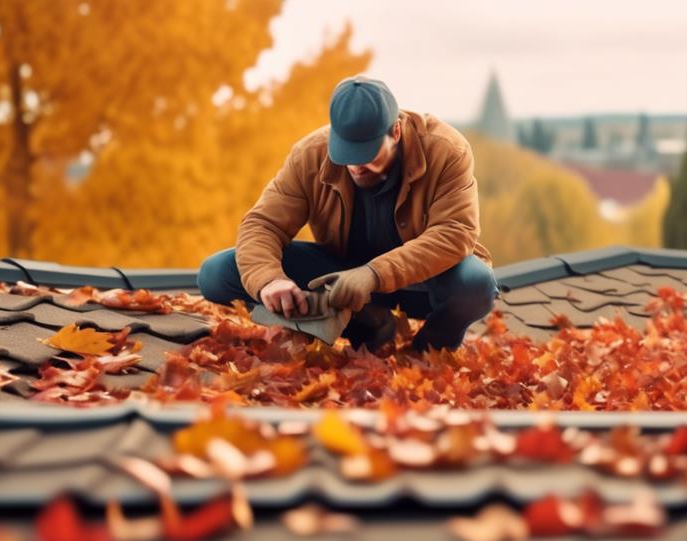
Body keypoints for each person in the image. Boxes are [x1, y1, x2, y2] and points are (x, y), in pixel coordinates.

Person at [197, 76, 497, 352]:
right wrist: (269, 281)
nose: (355, 166)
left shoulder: (446, 150)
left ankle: (429, 354)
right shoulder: (309, 154)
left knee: (475, 284)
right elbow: (262, 224)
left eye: (367, 154)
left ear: (396, 131)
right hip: (339, 279)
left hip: (421, 283)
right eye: (346, 153)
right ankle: (368, 323)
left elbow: (455, 233)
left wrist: (373, 274)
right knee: (216, 273)